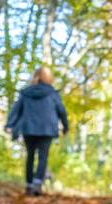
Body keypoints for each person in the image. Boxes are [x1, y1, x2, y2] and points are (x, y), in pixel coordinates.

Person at [5, 66, 69, 195]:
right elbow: (61, 111)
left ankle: (29, 185)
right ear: (49, 78)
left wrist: (9, 124)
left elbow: (16, 109)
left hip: (28, 128)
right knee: (43, 157)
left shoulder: (26, 92)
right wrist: (65, 126)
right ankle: (37, 183)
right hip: (47, 128)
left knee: (30, 156)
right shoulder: (52, 94)